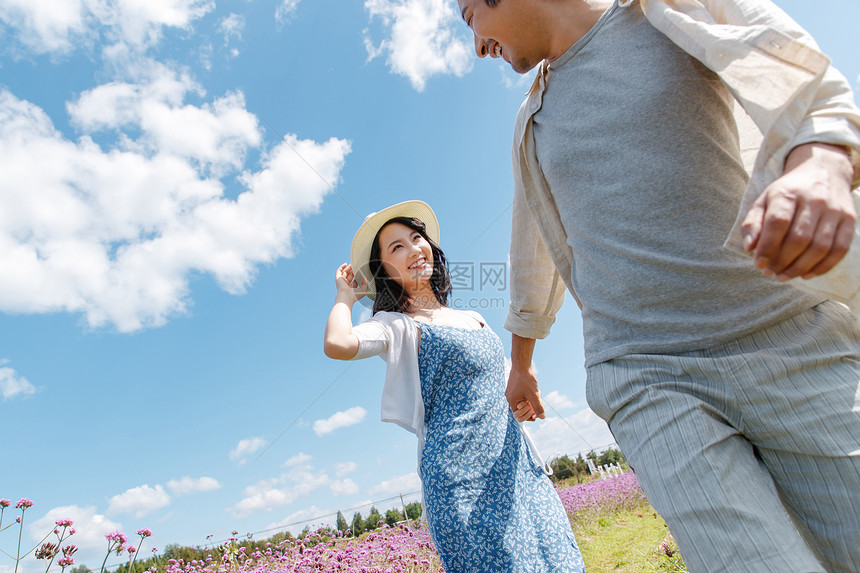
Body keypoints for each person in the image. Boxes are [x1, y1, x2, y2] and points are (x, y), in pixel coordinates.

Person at [456, 0, 860, 572]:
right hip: (646, 376)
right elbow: (532, 251)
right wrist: (521, 362)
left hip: (791, 336)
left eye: (470, 14)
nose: (476, 45)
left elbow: (794, 72)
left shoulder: (663, 11)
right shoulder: (533, 123)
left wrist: (821, 164)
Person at [323, 200, 584, 572]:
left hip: (514, 464)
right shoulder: (396, 326)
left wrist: (518, 402)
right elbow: (338, 344)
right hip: (460, 480)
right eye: (397, 247)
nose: (414, 248)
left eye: (416, 238)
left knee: (557, 558)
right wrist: (344, 297)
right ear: (383, 270)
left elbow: (499, 385)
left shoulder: (472, 317)